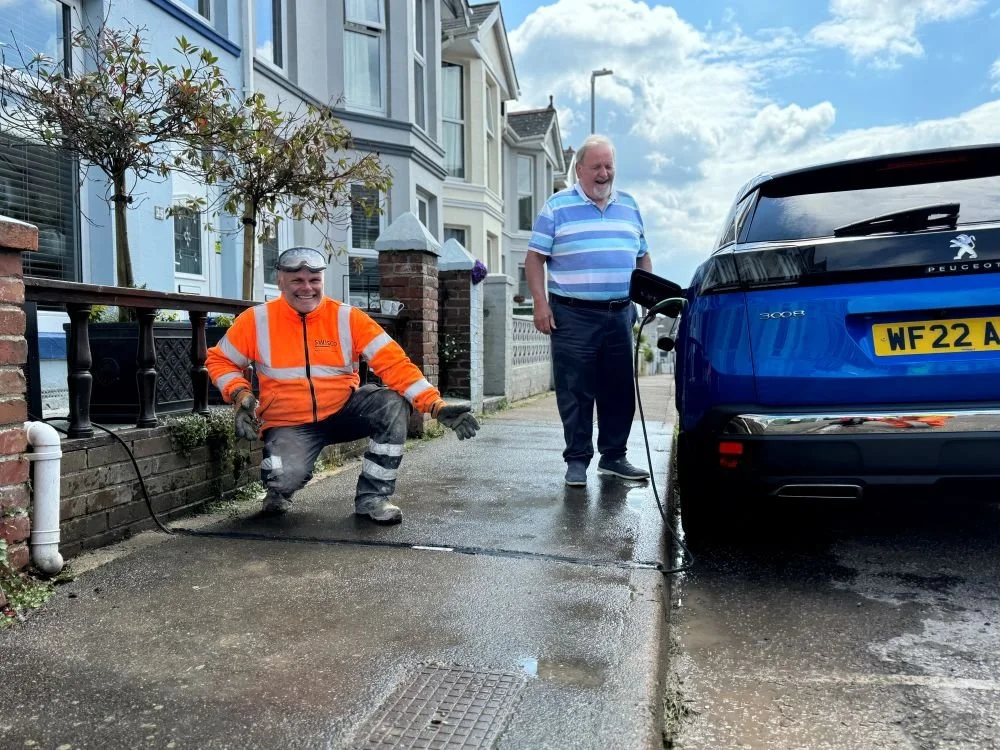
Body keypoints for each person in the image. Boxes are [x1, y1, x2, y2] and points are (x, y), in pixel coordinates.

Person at [206, 246, 480, 524]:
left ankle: (373, 498)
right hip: (289, 421)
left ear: (323, 281)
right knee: (282, 479)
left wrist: (434, 405)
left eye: (314, 280)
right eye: (297, 281)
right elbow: (220, 361)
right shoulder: (256, 320)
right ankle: (279, 490)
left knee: (391, 403)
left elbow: (396, 365)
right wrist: (240, 393)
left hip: (343, 410)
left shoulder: (347, 318)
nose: (307, 288)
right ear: (280, 281)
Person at [524, 134, 652, 487]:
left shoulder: (630, 205)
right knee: (576, 390)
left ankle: (614, 457)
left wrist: (644, 296)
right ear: (579, 169)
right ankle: (577, 460)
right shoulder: (557, 206)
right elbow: (534, 258)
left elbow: (642, 253)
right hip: (572, 313)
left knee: (619, 388)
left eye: (609, 166)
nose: (604, 173)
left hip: (619, 312)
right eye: (596, 166)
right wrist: (539, 302)